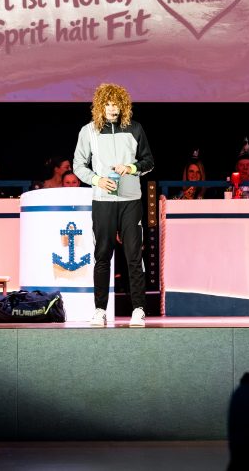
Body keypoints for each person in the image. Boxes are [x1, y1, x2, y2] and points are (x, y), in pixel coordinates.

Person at [73, 82, 154, 328]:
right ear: (100, 106)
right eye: (107, 104)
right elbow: (78, 165)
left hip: (131, 201)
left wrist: (131, 168)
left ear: (123, 106)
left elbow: (148, 162)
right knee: (102, 256)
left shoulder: (135, 129)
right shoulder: (88, 131)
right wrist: (97, 180)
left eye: (116, 104)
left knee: (133, 256)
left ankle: (138, 309)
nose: (112, 108)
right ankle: (100, 310)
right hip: (103, 201)